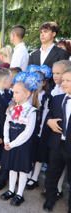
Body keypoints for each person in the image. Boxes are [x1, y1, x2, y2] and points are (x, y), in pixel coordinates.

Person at [0, 72, 41, 206]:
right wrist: (6, 140)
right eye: (13, 92)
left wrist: (12, 144)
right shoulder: (12, 108)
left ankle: (19, 193)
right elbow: (6, 124)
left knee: (22, 169)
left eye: (17, 92)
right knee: (12, 167)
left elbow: (27, 133)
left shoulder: (32, 111)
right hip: (10, 142)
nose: (14, 95)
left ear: (27, 94)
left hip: (22, 144)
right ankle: (11, 190)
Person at [43, 68, 71, 212]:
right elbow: (48, 115)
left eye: (68, 81)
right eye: (63, 80)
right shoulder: (58, 99)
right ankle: (50, 198)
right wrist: (49, 122)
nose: (63, 83)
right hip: (56, 144)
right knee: (52, 172)